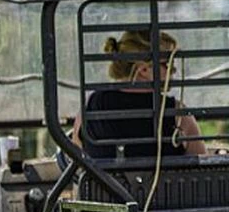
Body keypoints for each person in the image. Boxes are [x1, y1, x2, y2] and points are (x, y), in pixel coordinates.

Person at [72, 30, 207, 158]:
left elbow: (76, 157)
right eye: (168, 63)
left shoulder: (91, 106)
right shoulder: (177, 115)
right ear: (143, 69)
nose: (174, 70)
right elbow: (202, 166)